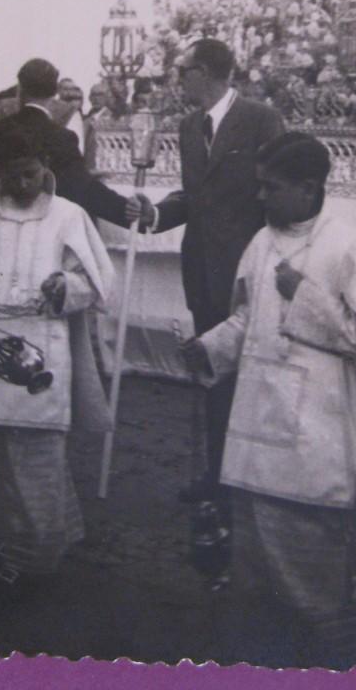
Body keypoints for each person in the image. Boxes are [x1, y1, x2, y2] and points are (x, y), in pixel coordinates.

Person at [180, 132, 356, 668]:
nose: (260, 198)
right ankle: (273, 644)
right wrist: (208, 349)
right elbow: (246, 320)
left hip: (321, 426)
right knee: (261, 543)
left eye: (269, 188)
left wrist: (304, 293)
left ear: (308, 189)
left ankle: (334, 647)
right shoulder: (260, 243)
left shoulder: (350, 245)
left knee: (316, 548)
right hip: (259, 419)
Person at [0, 124, 116, 588]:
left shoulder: (68, 216)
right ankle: (55, 533)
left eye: (30, 174)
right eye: (13, 176)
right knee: (4, 454)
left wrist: (65, 287)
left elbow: (98, 283)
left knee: (40, 453)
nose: (23, 185)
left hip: (44, 351)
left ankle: (37, 554)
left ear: (44, 167)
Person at [132, 38, 283, 506]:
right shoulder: (188, 126)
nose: (179, 80)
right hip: (201, 270)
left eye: (184, 70)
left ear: (208, 72)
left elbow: (275, 194)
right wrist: (156, 213)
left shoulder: (261, 119)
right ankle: (218, 476)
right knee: (215, 374)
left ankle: (256, 477)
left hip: (247, 274)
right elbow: (194, 197)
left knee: (253, 375)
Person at [0, 58, 131, 228]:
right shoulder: (63, 136)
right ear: (54, 93)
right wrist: (126, 210)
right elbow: (80, 184)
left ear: (20, 89)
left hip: (2, 217)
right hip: (47, 219)